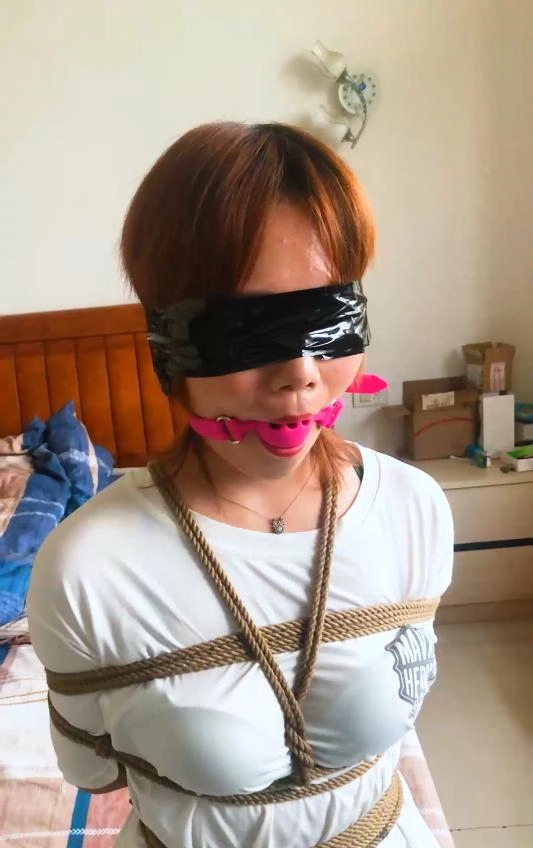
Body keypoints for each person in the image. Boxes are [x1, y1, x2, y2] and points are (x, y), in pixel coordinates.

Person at [28, 122, 454, 848]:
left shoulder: (414, 510)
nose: (300, 374)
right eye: (245, 330)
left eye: (328, 319)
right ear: (167, 349)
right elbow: (93, 774)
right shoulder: (85, 571)